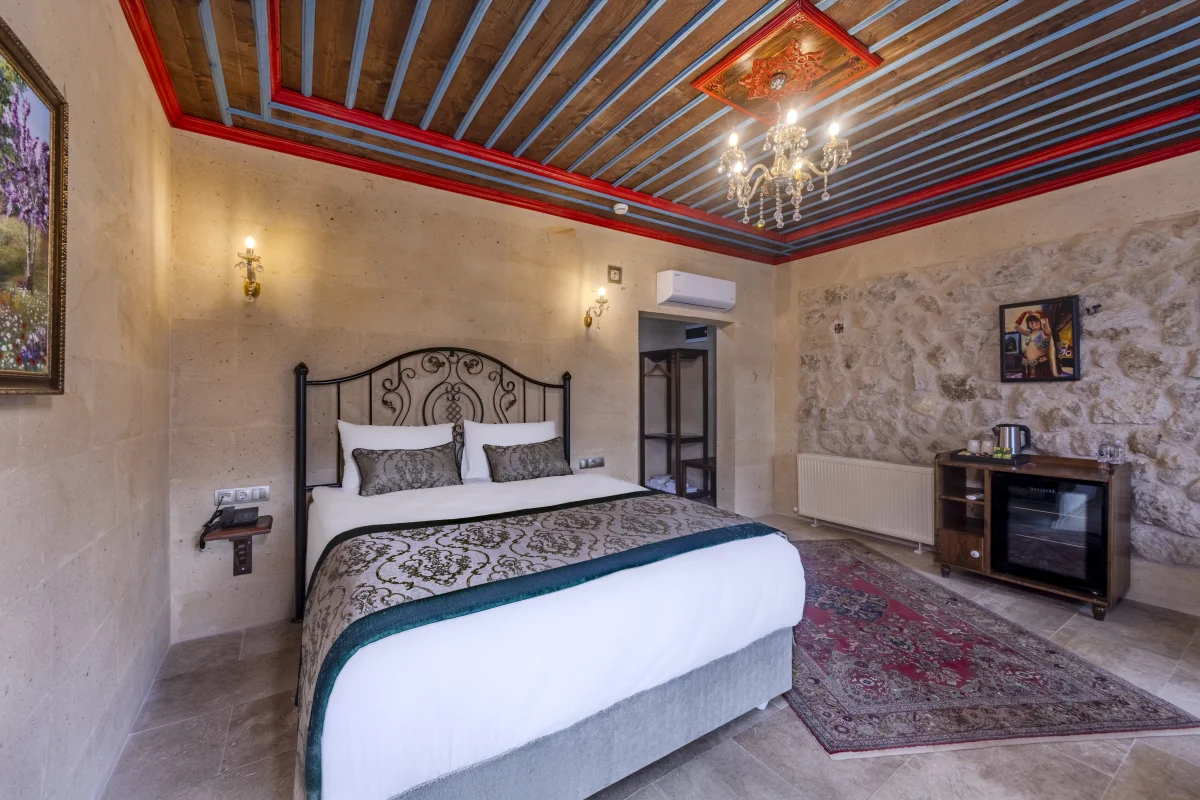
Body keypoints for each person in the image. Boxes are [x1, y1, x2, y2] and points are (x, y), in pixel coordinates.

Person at [1013, 309, 1058, 379]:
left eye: (1036, 321)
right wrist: (1024, 313)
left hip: (1041, 365)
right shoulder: (1029, 333)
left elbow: (1045, 323)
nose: (1033, 323)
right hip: (1028, 366)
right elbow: (1016, 327)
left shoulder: (1045, 333)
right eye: (1031, 321)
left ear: (1040, 322)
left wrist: (1042, 314)